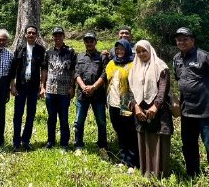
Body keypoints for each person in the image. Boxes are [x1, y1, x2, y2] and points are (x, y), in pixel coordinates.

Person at [172, 27, 209, 186]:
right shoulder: (177, 59)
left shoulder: (205, 57)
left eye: (185, 38)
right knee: (188, 146)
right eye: (178, 39)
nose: (181, 42)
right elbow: (179, 80)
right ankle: (193, 175)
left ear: (192, 40)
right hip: (187, 113)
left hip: (207, 113)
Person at [130, 40, 173, 178]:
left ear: (150, 50)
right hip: (140, 110)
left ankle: (160, 174)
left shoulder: (160, 66)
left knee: (159, 140)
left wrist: (155, 106)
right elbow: (129, 91)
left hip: (158, 111)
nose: (141, 54)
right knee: (145, 140)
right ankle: (146, 172)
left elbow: (163, 89)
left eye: (144, 51)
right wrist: (135, 107)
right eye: (138, 51)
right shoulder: (134, 68)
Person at [100, 39, 139, 169]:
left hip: (127, 102)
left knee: (130, 132)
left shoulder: (133, 64)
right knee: (120, 131)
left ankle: (132, 161)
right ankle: (123, 159)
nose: (119, 51)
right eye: (117, 49)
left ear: (127, 49)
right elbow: (106, 79)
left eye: (122, 49)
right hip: (113, 102)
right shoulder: (111, 63)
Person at [9, 25, 46, 152]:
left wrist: (42, 86)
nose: (31, 35)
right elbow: (13, 68)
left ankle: (26, 141)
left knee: (31, 114)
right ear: (25, 35)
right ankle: (16, 142)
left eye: (33, 33)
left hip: (33, 87)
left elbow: (43, 69)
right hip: (21, 86)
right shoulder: (20, 48)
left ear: (36, 35)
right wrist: (12, 85)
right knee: (18, 114)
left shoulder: (40, 50)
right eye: (29, 33)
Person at [41, 27, 77, 149]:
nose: (57, 38)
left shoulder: (70, 52)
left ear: (63, 36)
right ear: (53, 37)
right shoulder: (48, 52)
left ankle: (64, 143)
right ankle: (50, 141)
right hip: (50, 90)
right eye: (55, 35)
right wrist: (42, 86)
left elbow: (73, 70)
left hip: (64, 91)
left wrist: (72, 87)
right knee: (51, 118)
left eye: (60, 35)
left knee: (64, 118)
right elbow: (44, 69)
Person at [74, 32, 108, 158]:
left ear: (95, 42)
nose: (89, 43)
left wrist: (94, 87)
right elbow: (76, 74)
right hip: (82, 94)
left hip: (98, 94)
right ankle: (78, 145)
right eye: (87, 41)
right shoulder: (79, 57)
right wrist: (83, 87)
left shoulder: (102, 57)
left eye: (91, 41)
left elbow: (105, 74)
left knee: (101, 122)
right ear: (84, 42)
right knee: (79, 121)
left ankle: (102, 147)